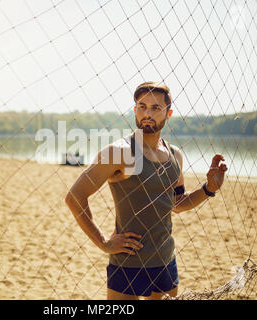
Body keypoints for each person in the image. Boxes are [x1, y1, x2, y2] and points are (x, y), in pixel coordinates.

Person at [65, 81, 228, 300]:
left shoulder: (175, 154)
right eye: (142, 106)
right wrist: (103, 242)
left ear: (168, 113)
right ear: (134, 110)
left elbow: (177, 203)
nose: (147, 113)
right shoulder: (119, 152)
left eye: (155, 108)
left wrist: (209, 189)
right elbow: (74, 197)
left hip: (166, 261)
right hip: (128, 263)